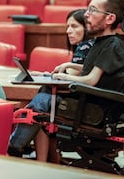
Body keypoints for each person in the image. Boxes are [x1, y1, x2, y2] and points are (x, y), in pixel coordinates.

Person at [8, 0, 124, 162]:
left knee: (42, 102)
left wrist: (63, 77)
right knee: (45, 94)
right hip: (92, 103)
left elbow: (91, 79)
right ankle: (20, 148)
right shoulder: (105, 42)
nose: (86, 14)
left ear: (110, 19)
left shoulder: (111, 45)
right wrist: (69, 66)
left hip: (95, 110)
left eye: (93, 10)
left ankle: (13, 147)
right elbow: (93, 70)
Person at [8, 8, 94, 161]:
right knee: (42, 111)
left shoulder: (85, 46)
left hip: (78, 103)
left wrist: (50, 76)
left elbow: (71, 78)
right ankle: (40, 160)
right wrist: (46, 75)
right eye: (67, 26)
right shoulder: (88, 46)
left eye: (74, 26)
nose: (68, 31)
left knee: (40, 108)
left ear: (86, 28)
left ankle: (15, 145)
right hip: (80, 98)